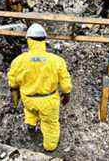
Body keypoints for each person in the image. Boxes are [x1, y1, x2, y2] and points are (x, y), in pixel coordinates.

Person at [7, 23, 72, 152]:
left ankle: (30, 125)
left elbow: (13, 85)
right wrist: (67, 95)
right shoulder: (57, 60)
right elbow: (65, 83)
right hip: (48, 101)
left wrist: (15, 103)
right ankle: (50, 147)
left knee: (30, 111)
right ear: (44, 40)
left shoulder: (18, 61)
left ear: (29, 40)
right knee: (50, 124)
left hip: (28, 99)